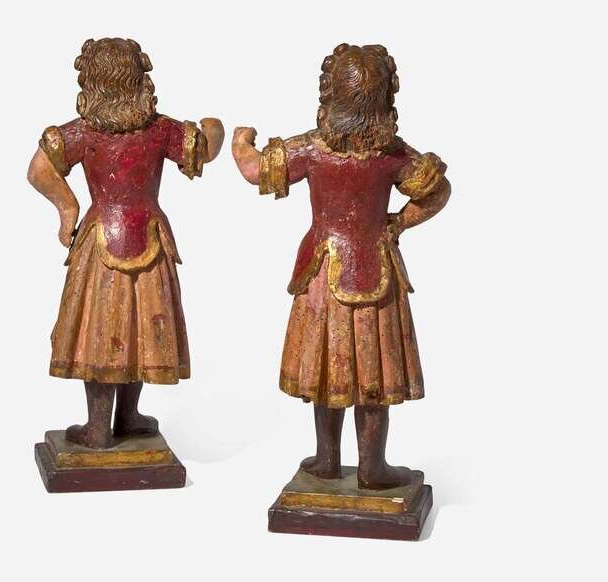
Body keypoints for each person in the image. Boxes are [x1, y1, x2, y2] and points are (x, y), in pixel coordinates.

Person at [232, 43, 450, 489]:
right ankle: (371, 467)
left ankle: (328, 459)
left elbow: (256, 171)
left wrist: (241, 142)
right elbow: (437, 191)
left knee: (326, 370)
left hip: (323, 271)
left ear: (329, 94)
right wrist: (397, 223)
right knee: (373, 373)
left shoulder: (313, 149)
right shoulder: (392, 153)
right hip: (375, 269)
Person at [27, 38, 224, 448]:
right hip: (147, 238)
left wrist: (69, 208)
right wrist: (213, 126)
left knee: (112, 329)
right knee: (129, 328)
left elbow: (40, 169)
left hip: (101, 241)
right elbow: (204, 150)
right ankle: (110, 422)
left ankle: (115, 421)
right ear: (140, 79)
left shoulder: (82, 132)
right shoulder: (160, 129)